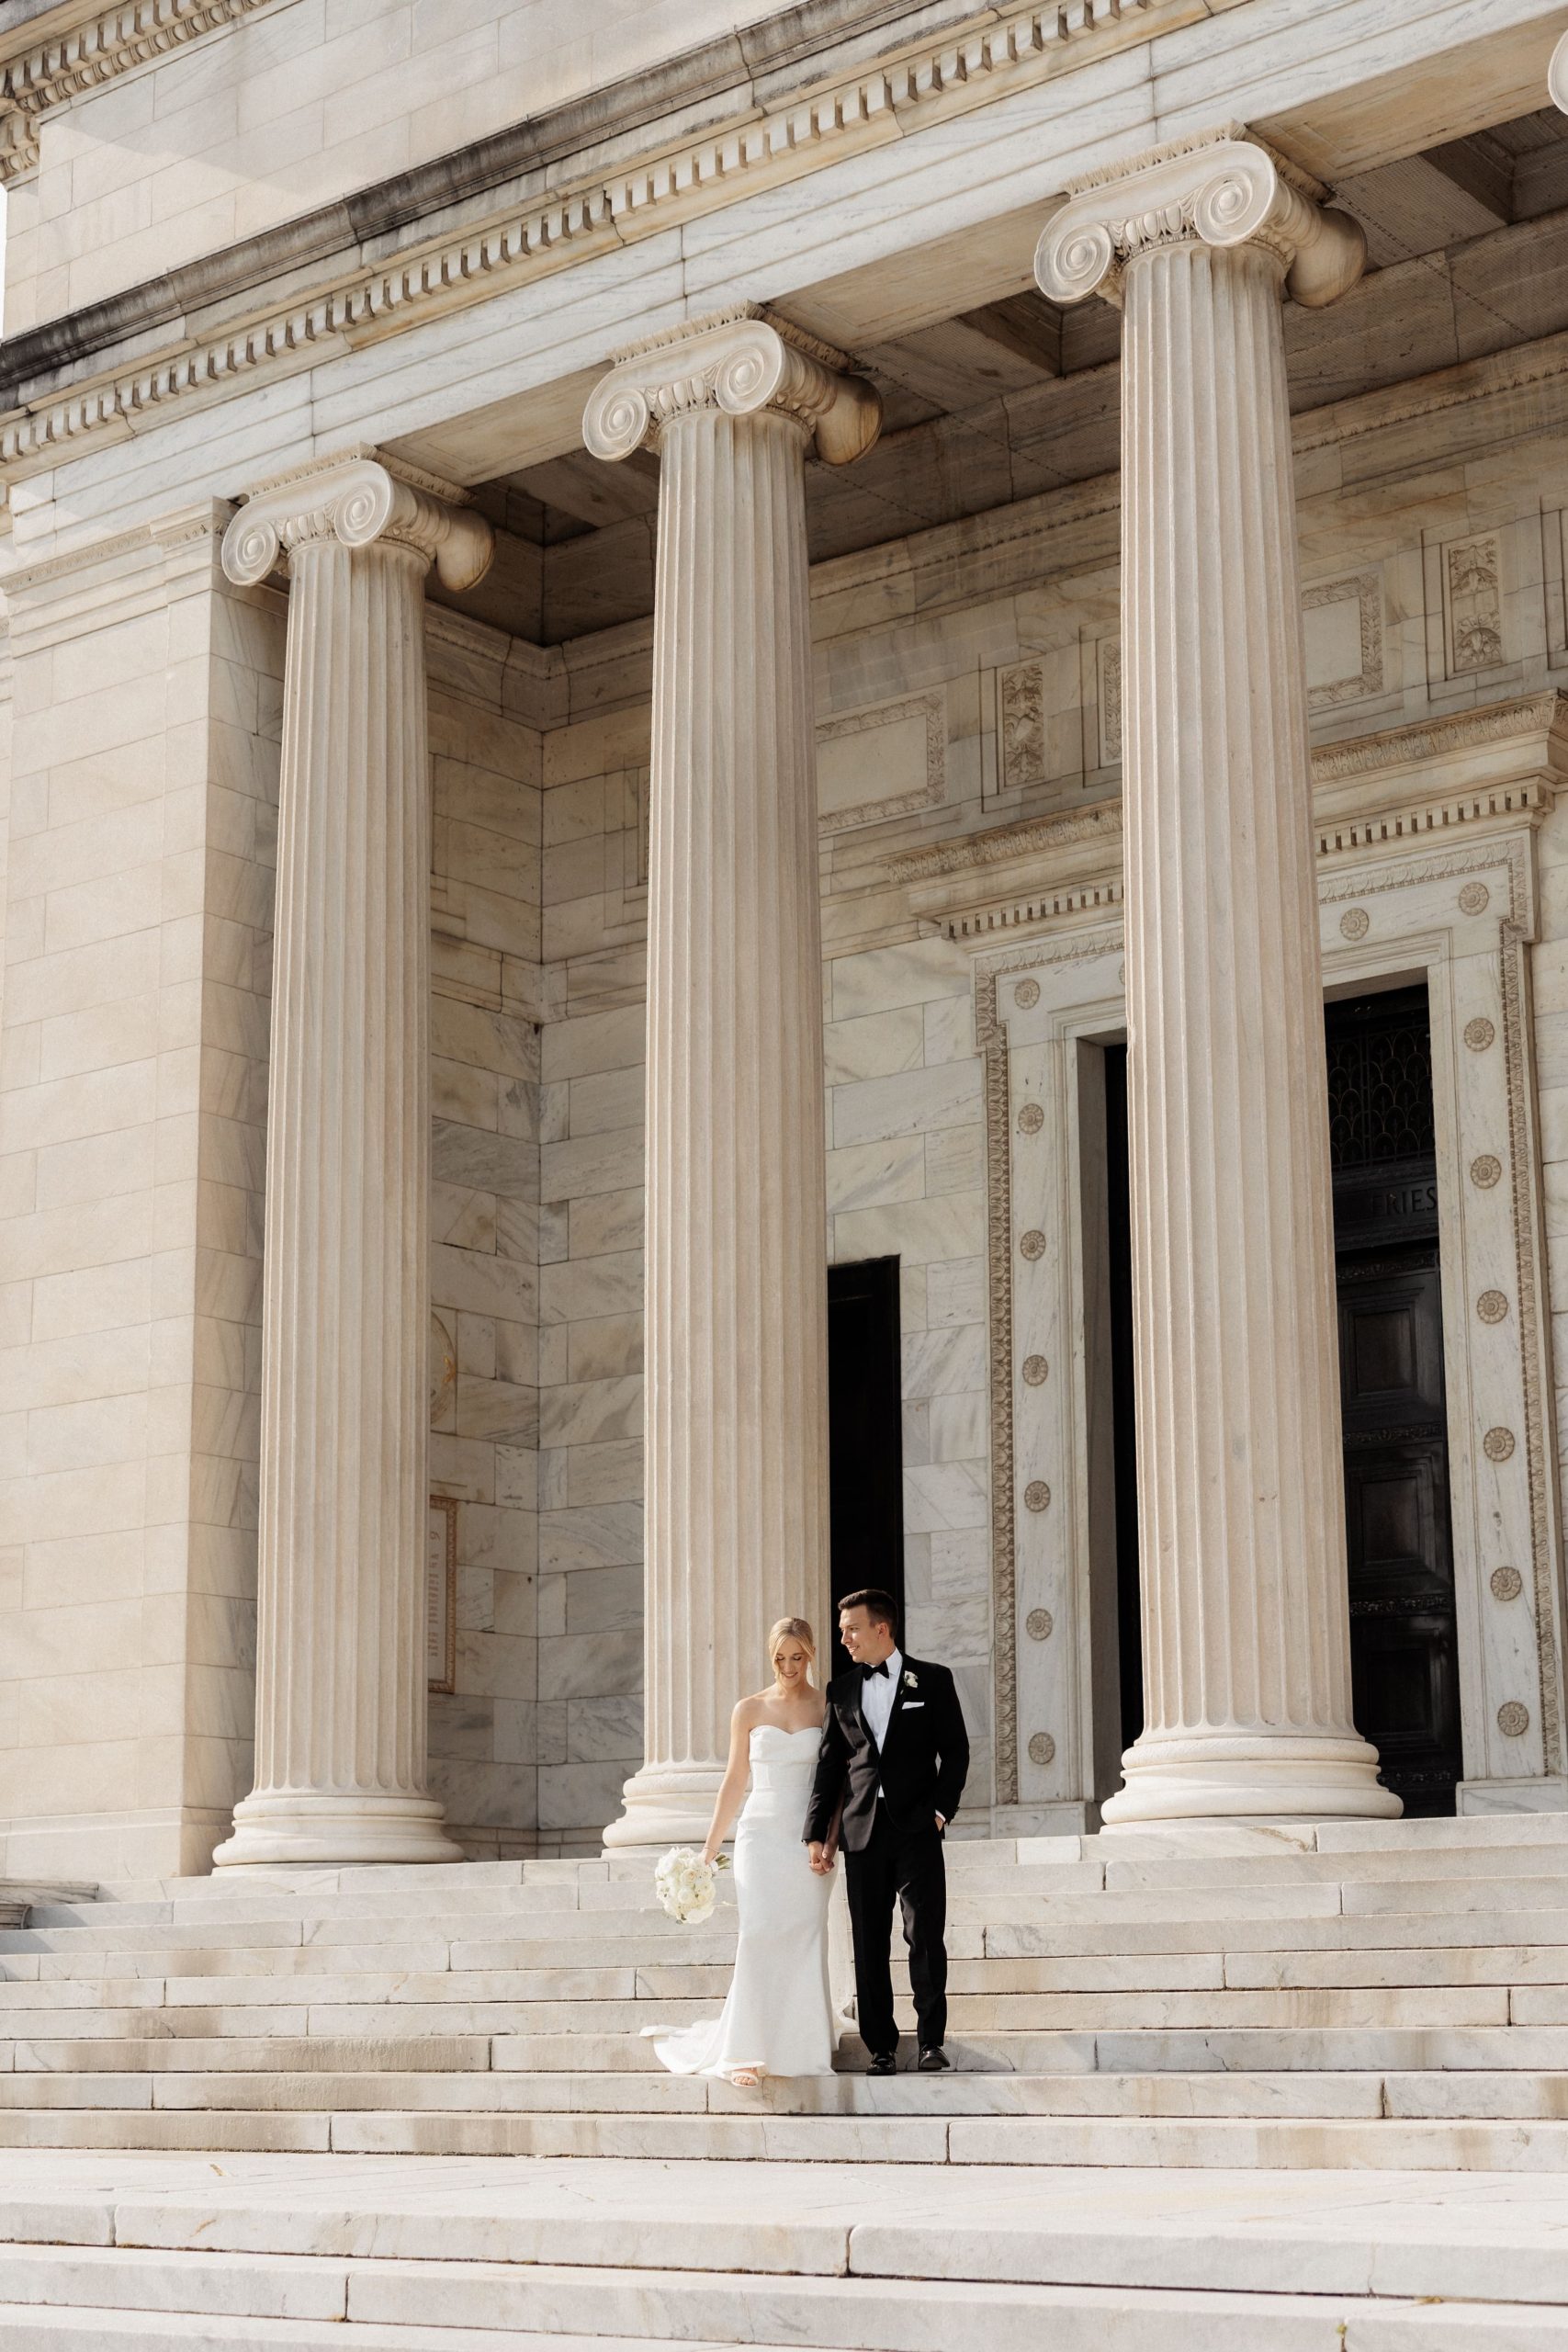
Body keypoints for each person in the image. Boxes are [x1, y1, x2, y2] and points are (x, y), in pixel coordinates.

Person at [642, 1617, 837, 2087]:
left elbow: (838, 1780)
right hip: (760, 1834)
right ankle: (745, 2052)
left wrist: (829, 1840)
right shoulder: (748, 1709)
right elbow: (734, 1780)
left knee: (807, 1933)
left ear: (810, 1654)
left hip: (809, 1834)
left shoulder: (829, 1704)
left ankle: (802, 2046)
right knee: (759, 1932)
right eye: (779, 1658)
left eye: (797, 1657)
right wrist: (708, 1850)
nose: (788, 1667)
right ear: (770, 1658)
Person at [803, 1589, 969, 2075]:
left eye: (851, 1628)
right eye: (842, 1630)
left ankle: (931, 2042)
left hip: (917, 1828)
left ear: (882, 1628)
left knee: (924, 1935)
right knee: (868, 1942)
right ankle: (881, 2047)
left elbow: (955, 1752)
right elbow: (829, 1767)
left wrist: (940, 1812)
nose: (844, 1638)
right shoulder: (841, 1690)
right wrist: (817, 1832)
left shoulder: (934, 1680)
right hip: (861, 1834)